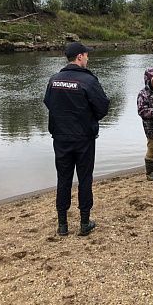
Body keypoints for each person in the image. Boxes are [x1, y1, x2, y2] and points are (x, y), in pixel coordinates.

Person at [43, 42, 110, 235]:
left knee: (63, 178)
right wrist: (86, 117)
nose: (88, 58)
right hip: (83, 138)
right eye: (86, 55)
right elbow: (103, 107)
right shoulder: (88, 81)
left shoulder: (54, 79)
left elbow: (49, 103)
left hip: (61, 137)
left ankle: (62, 225)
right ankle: (84, 222)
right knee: (84, 179)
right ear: (79, 57)